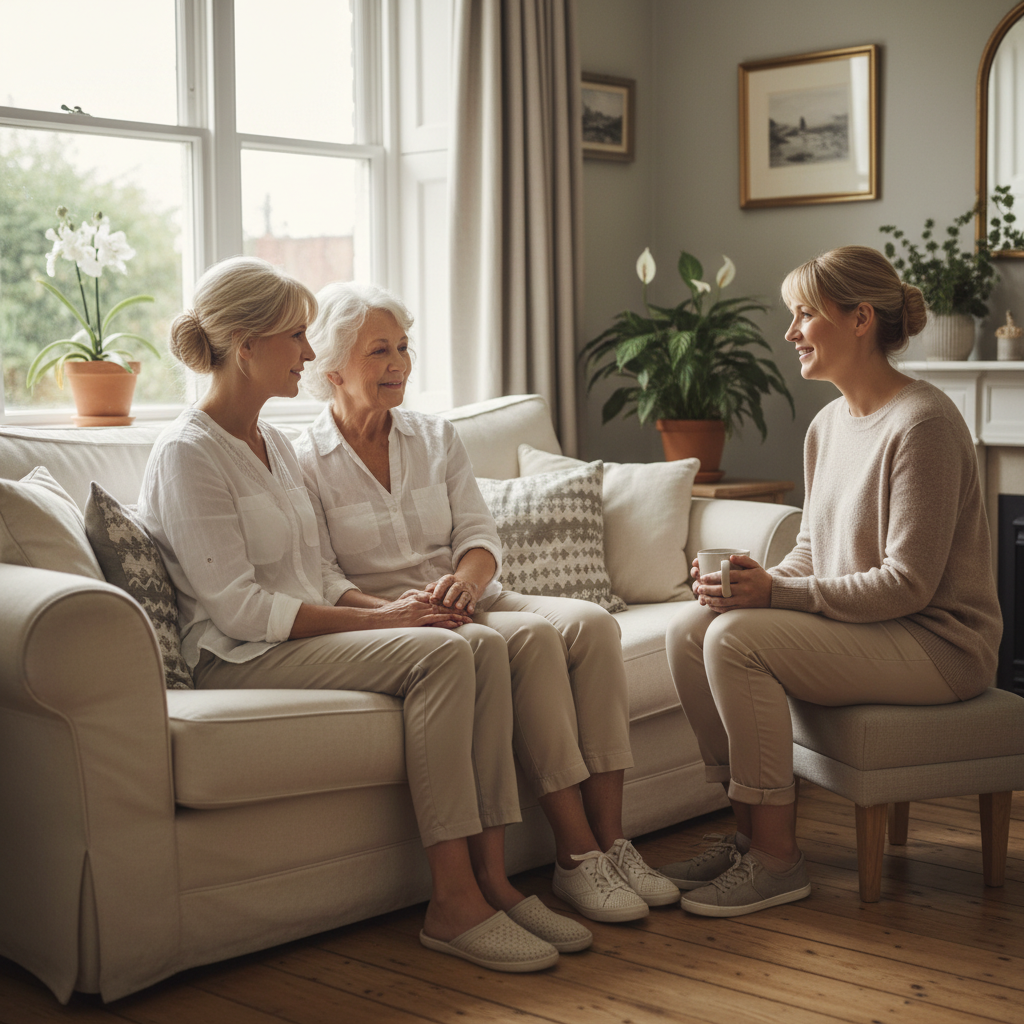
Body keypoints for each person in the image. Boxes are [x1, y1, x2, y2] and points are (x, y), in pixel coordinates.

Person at [138, 256, 576, 973]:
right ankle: (451, 903)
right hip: (235, 657)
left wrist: (401, 608)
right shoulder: (189, 454)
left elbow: (318, 574)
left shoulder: (273, 444)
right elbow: (240, 609)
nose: (308, 353)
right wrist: (385, 623)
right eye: (295, 336)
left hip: (291, 638)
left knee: (477, 640)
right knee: (443, 652)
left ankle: (494, 879)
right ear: (246, 346)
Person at [295, 281, 680, 927]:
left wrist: (468, 585)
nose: (398, 364)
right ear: (331, 368)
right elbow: (322, 575)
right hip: (392, 620)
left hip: (474, 596)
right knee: (527, 639)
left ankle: (613, 843)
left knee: (590, 623)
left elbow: (478, 535)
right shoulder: (302, 459)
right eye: (379, 351)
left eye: (403, 347)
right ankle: (575, 853)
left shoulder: (433, 436)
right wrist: (395, 610)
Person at [658, 245, 1002, 918]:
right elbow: (812, 553)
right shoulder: (825, 426)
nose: (790, 333)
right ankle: (747, 838)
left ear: (860, 320)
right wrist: (756, 582)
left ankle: (777, 860)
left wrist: (777, 597)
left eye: (804, 315)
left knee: (733, 641)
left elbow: (908, 584)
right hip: (873, 630)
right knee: (690, 630)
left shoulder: (924, 422)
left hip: (938, 643)